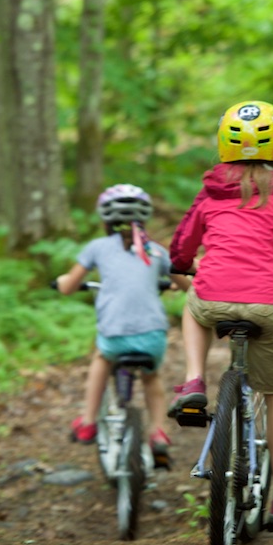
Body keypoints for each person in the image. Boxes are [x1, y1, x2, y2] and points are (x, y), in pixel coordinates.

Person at [168, 100, 273, 528]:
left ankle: (194, 380)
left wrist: (184, 265)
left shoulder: (211, 190)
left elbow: (181, 248)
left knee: (193, 307)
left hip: (213, 295)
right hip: (268, 303)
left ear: (224, 144)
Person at [52, 184, 190, 469]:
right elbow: (186, 285)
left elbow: (68, 287)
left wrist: (63, 281)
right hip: (152, 336)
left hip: (115, 335)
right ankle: (158, 432)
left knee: (101, 358)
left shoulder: (97, 248)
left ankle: (88, 421)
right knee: (151, 378)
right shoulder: (157, 251)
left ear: (105, 219)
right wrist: (174, 284)